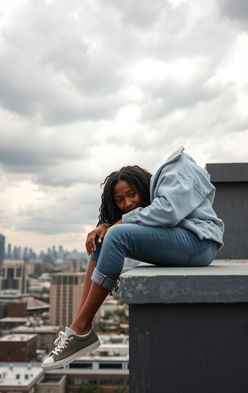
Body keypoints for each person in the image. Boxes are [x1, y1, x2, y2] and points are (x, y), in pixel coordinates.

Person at [42, 146, 224, 370]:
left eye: (131, 194)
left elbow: (168, 211)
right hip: (184, 245)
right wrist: (106, 226)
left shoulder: (175, 169)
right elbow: (155, 219)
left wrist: (118, 224)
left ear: (142, 186)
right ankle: (78, 329)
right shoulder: (157, 193)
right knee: (104, 238)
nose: (127, 204)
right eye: (120, 200)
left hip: (199, 242)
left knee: (116, 234)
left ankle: (81, 328)